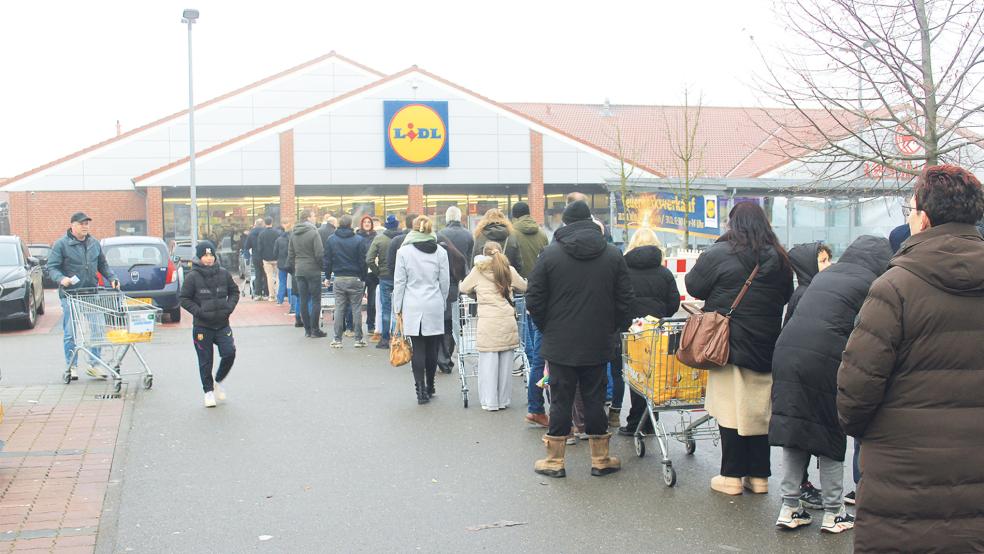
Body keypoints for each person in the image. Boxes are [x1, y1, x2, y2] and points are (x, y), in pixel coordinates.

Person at [837, 165, 984, 552]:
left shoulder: (894, 286)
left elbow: (855, 392)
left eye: (909, 209)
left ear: (924, 217)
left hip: (900, 480)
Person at [770, 235, 891, 534]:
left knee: (794, 430)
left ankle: (790, 507)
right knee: (829, 433)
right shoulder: (873, 284)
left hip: (786, 354)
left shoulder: (829, 274)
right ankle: (835, 512)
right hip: (825, 360)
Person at [685, 201, 793, 496]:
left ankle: (731, 476)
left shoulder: (721, 252)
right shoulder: (780, 258)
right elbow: (786, 296)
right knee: (757, 410)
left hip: (728, 343)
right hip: (766, 343)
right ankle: (759, 477)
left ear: (733, 224)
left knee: (730, 409)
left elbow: (693, 285)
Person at [526, 200, 634, 478]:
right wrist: (614, 329)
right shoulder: (612, 254)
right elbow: (625, 300)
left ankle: (554, 461)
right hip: (598, 340)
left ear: (565, 223)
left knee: (561, 399)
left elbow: (534, 298)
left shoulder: (550, 255)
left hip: (560, 341)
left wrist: (547, 327)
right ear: (590, 220)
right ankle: (600, 459)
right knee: (595, 399)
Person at [779, 241, 832, 508]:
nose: (828, 265)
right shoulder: (805, 294)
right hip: (802, 375)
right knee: (803, 435)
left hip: (803, 373)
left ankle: (801, 484)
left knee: (805, 433)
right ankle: (801, 485)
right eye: (822, 261)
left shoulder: (811, 291)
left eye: (828, 260)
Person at [616, 228, 680, 436]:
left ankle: (637, 422)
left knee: (636, 375)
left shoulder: (623, 270)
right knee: (655, 373)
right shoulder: (664, 272)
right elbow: (673, 303)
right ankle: (651, 419)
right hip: (657, 330)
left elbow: (617, 298)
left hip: (630, 329)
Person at [47, 212, 120, 380]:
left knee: (98, 328)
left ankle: (94, 365)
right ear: (72, 225)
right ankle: (71, 365)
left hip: (91, 293)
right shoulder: (61, 245)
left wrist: (113, 278)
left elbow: (103, 264)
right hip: (70, 295)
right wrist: (61, 278)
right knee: (71, 332)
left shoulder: (94, 243)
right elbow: (52, 267)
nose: (85, 226)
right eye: (81, 223)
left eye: (87, 223)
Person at [460, 242, 527, 411]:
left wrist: (476, 292)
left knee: (488, 364)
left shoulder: (478, 271)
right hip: (507, 321)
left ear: (483, 254)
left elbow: (463, 287)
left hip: (488, 323)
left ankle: (490, 402)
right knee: (505, 363)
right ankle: (503, 400)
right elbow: (524, 287)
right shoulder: (508, 270)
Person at [393, 216, 450, 405]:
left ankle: (420, 390)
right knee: (432, 347)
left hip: (413, 304)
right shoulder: (440, 251)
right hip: (433, 302)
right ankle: (431, 385)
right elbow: (444, 282)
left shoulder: (404, 252)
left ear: (413, 229)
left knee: (418, 348)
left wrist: (397, 307)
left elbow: (400, 282)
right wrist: (441, 301)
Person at [504, 202, 552, 427]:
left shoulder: (512, 235)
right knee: (539, 348)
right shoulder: (542, 234)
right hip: (544, 289)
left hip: (522, 289)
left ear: (514, 216)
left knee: (530, 340)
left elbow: (507, 264)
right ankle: (535, 369)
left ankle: (535, 401)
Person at [179, 241, 240, 408]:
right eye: (205, 255)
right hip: (202, 326)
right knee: (205, 360)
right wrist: (198, 312)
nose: (209, 258)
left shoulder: (224, 273)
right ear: (199, 257)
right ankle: (208, 392)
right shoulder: (192, 277)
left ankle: (218, 380)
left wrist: (229, 307)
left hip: (222, 323)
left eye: (211, 255)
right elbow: (184, 298)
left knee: (229, 353)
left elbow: (234, 291)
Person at [324, 215, 369, 348]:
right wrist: (363, 277)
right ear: (350, 225)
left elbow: (327, 260)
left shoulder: (331, 240)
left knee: (339, 308)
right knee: (356, 308)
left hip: (339, 278)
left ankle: (337, 339)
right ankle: (358, 338)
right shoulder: (359, 240)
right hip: (355, 278)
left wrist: (327, 277)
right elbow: (363, 261)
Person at [287, 210, 326, 338]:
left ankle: (307, 330)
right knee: (315, 300)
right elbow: (319, 253)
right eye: (314, 215)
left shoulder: (294, 233)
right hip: (313, 270)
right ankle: (315, 329)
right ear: (309, 218)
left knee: (303, 299)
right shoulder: (314, 232)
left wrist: (295, 269)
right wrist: (322, 268)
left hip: (299, 270)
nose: (315, 218)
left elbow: (291, 254)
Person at [367, 215, 401, 350]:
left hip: (385, 277)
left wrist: (378, 272)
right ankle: (398, 336)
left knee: (386, 308)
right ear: (397, 225)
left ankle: (385, 338)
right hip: (400, 277)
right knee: (399, 308)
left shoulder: (379, 239)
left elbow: (369, 259)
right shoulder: (403, 239)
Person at [436, 236, 467, 374]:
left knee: (440, 327)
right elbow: (464, 276)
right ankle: (447, 357)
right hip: (454, 293)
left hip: (439, 292)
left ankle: (442, 358)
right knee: (450, 327)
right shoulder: (457, 256)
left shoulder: (435, 254)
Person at [357, 216, 379, 341]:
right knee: (357, 301)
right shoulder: (357, 236)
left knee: (372, 301)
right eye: (364, 222)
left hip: (372, 273)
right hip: (360, 272)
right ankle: (354, 326)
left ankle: (371, 325)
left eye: (368, 222)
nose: (367, 224)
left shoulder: (376, 237)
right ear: (361, 224)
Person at [438, 206, 475, 271]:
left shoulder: (440, 234)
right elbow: (471, 258)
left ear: (447, 218)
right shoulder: (468, 234)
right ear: (459, 217)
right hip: (463, 273)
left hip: (447, 272)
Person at [244, 218, 268, 299]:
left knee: (258, 274)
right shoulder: (266, 232)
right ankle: (266, 293)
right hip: (266, 256)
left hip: (256, 256)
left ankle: (258, 294)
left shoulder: (251, 233)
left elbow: (247, 246)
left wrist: (246, 257)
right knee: (266, 275)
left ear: (255, 224)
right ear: (263, 224)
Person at [258, 217, 279, 302]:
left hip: (266, 258)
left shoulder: (261, 234)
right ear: (272, 222)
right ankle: (278, 295)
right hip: (276, 258)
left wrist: (261, 257)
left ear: (265, 223)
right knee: (278, 277)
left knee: (269, 276)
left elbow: (259, 247)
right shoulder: (277, 233)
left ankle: (271, 296)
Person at [273, 225, 291, 305]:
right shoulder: (291, 239)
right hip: (291, 264)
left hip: (281, 264)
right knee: (290, 283)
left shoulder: (278, 240)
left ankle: (280, 300)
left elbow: (275, 253)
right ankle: (291, 300)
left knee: (282, 282)